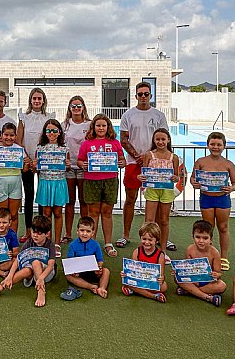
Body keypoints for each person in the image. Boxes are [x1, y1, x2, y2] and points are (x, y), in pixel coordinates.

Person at [119, 82, 168, 249]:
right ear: (135, 96)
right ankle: (126, 235)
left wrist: (150, 157)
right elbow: (124, 140)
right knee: (130, 199)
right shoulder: (128, 115)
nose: (143, 97)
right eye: (140, 94)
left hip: (155, 165)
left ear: (151, 96)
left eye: (146, 94)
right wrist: (137, 156)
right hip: (134, 163)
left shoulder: (159, 115)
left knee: (159, 202)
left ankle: (160, 237)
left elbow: (164, 138)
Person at [77, 114, 125, 258]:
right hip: (92, 180)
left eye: (104, 125)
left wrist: (122, 163)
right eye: (98, 125)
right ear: (93, 127)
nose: (101, 128)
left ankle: (108, 243)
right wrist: (83, 165)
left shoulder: (115, 143)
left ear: (108, 127)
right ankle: (91, 243)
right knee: (93, 212)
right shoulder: (87, 143)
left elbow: (121, 159)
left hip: (110, 180)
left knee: (107, 212)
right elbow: (80, 161)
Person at [190, 131, 235, 271]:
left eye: (219, 144)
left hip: (222, 199)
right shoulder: (200, 162)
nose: (215, 147)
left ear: (224, 146)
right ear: (207, 145)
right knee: (208, 229)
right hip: (206, 198)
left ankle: (223, 256)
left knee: (223, 227)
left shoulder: (228, 164)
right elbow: (193, 178)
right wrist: (194, 183)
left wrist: (231, 188)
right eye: (213, 144)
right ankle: (208, 255)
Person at [0, 215, 57, 307]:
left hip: (46, 273)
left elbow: (51, 265)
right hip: (31, 270)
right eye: (33, 232)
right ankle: (0, 287)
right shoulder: (29, 242)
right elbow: (18, 259)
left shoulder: (50, 245)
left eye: (39, 233)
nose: (35, 235)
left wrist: (40, 278)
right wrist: (9, 276)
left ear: (47, 234)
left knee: (36, 262)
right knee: (27, 270)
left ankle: (41, 292)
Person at [136, 128, 180, 263]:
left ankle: (163, 250)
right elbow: (144, 173)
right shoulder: (149, 155)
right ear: (154, 141)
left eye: (163, 139)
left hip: (167, 191)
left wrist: (175, 178)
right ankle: (145, 249)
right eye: (158, 139)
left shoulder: (174, 157)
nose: (160, 142)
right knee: (149, 220)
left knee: (164, 220)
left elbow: (177, 177)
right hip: (152, 190)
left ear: (168, 140)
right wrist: (140, 177)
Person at [17, 88, 54, 242]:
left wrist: (38, 160)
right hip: (27, 161)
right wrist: (28, 159)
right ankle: (28, 230)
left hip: (42, 161)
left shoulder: (48, 117)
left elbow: (49, 139)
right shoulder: (23, 117)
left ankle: (41, 231)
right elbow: (19, 140)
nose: (37, 101)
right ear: (30, 100)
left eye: (39, 98)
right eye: (34, 98)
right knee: (29, 195)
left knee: (41, 197)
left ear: (43, 100)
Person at [33, 119, 70, 258]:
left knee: (58, 213)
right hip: (45, 182)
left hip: (59, 182)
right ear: (45, 132)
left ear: (59, 132)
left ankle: (57, 243)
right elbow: (36, 168)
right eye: (49, 130)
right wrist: (35, 164)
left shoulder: (64, 148)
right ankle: (46, 241)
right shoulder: (40, 148)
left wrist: (67, 164)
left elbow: (67, 167)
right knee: (46, 214)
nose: (52, 133)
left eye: (55, 130)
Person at [0, 122, 29, 233]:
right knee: (1, 215)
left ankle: (12, 240)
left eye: (12, 135)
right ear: (2, 135)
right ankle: (0, 240)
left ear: (15, 136)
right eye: (6, 135)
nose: (9, 138)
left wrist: (27, 163)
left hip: (15, 184)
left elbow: (24, 170)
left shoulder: (19, 149)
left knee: (13, 215)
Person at [173, 220, 226, 306]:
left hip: (207, 281)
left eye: (205, 238)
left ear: (211, 239)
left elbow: (219, 273)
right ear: (193, 237)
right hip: (193, 280)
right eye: (198, 237)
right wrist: (178, 271)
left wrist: (216, 274)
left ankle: (190, 291)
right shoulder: (190, 249)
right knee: (177, 278)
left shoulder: (214, 253)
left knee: (222, 286)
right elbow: (186, 268)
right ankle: (207, 297)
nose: (201, 241)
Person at [61, 95, 90, 245]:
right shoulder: (64, 125)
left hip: (85, 168)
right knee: (70, 202)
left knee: (84, 202)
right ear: (69, 108)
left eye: (79, 106)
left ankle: (84, 232)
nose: (76, 109)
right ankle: (67, 233)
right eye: (74, 106)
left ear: (83, 107)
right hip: (69, 168)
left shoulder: (90, 125)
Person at [62, 216, 110, 300]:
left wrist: (99, 269)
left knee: (106, 271)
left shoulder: (96, 245)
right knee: (68, 276)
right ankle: (90, 286)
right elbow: (71, 261)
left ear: (92, 233)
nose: (84, 234)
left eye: (88, 231)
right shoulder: (72, 245)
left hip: (93, 271)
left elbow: (100, 260)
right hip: (79, 273)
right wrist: (73, 272)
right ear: (77, 231)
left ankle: (102, 288)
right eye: (82, 230)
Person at [120, 222, 167, 302]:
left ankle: (136, 291)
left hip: (151, 282)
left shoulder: (160, 255)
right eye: (144, 239)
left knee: (164, 286)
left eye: (150, 240)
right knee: (126, 281)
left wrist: (161, 279)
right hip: (139, 280)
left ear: (156, 240)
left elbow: (161, 275)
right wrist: (125, 273)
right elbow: (132, 271)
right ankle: (153, 296)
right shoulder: (137, 251)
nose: (147, 242)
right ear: (140, 238)